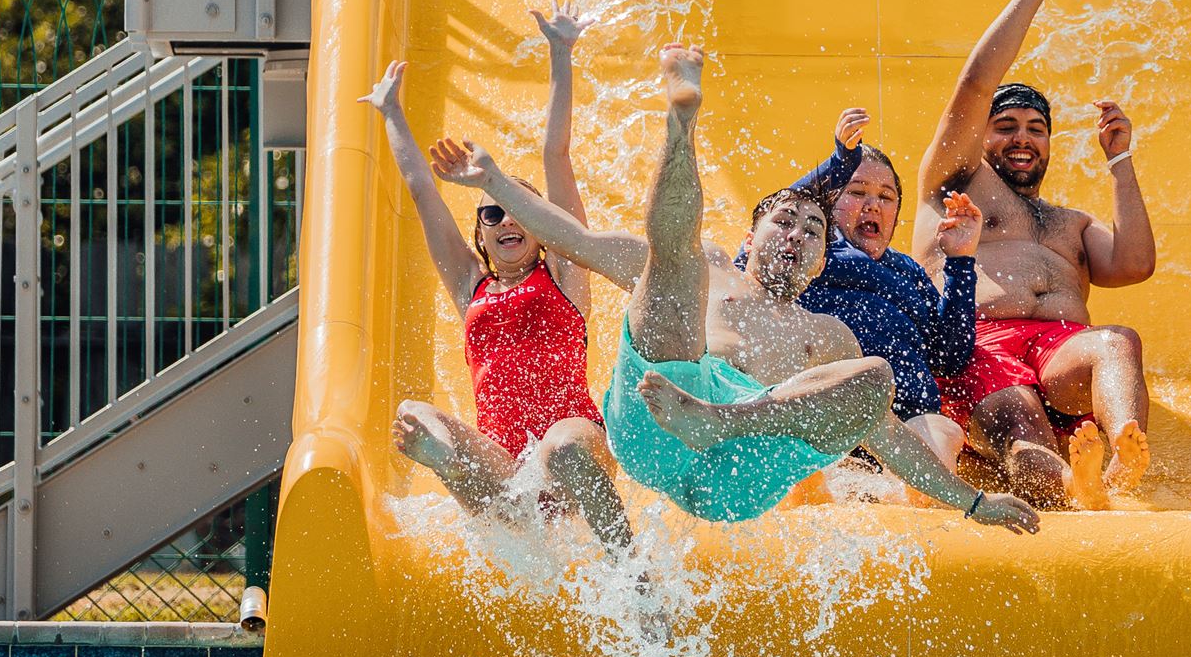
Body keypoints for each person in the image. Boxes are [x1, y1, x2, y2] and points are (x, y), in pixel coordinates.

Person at [429, 45, 1040, 535]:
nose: (798, 233)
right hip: (659, 418)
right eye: (784, 221)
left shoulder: (829, 336)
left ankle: (724, 418)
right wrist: (495, 183)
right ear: (754, 235)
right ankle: (681, 124)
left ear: (824, 257)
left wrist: (971, 503)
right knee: (677, 263)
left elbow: (887, 437)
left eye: (814, 230)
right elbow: (578, 241)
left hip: (740, 467)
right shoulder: (714, 270)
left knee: (874, 376)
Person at [358, 16, 632, 553]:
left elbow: (557, 155)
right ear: (480, 235)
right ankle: (462, 479)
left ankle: (631, 570)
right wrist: (391, 112)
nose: (507, 221)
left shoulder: (565, 274)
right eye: (492, 214)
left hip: (571, 454)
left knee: (565, 447)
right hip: (503, 470)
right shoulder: (471, 290)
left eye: (518, 213)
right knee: (414, 414)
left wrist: (560, 54)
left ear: (542, 227)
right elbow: (422, 193)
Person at [915, 0, 1157, 509]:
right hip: (980, 347)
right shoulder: (953, 185)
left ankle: (1122, 467)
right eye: (1006, 127)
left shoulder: (1069, 223)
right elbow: (974, 84)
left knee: (1117, 342)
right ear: (980, 136)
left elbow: (1134, 263)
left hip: (1063, 355)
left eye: (1036, 130)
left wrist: (1120, 157)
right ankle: (1073, 494)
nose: (1023, 140)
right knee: (1022, 425)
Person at [775, 109, 980, 479]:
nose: (873, 205)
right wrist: (840, 160)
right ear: (826, 201)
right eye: (856, 192)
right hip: (830, 414)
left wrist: (961, 263)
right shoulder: (813, 251)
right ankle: (822, 488)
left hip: (905, 426)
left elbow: (952, 355)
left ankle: (917, 498)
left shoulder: (908, 270)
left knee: (941, 432)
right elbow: (777, 215)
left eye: (886, 197)